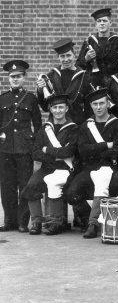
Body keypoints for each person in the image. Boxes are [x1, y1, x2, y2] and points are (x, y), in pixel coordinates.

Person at [66, 87, 118, 239]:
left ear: (107, 104)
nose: (98, 107)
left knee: (101, 183)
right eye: (95, 104)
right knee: (71, 193)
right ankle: (88, 220)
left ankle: (93, 224)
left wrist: (94, 150)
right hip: (89, 167)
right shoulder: (86, 125)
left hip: (109, 167)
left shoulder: (117, 124)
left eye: (101, 103)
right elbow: (82, 150)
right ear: (91, 106)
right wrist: (106, 145)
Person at [23, 94, 78, 235]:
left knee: (53, 184)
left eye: (61, 107)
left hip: (65, 168)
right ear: (50, 110)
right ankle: (36, 222)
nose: (58, 110)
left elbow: (69, 152)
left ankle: (54, 222)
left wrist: (47, 150)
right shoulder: (44, 129)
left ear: (66, 109)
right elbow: (35, 153)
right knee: (31, 186)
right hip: (47, 168)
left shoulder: (73, 128)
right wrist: (56, 155)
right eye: (55, 107)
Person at [0, 60, 42, 232]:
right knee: (7, 185)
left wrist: (35, 147)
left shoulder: (31, 99)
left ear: (24, 77)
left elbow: (38, 126)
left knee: (24, 184)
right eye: (12, 77)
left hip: (25, 148)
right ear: (8, 78)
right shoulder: (2, 99)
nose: (15, 79)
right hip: (5, 148)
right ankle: (9, 221)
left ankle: (22, 222)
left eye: (18, 76)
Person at [36, 38, 90, 124]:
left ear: (74, 55)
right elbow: (45, 107)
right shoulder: (51, 76)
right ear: (58, 57)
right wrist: (40, 90)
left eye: (68, 55)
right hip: (56, 123)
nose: (66, 59)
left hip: (77, 124)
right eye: (62, 56)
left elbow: (89, 106)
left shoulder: (84, 76)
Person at [76, 7, 118, 86]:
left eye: (105, 21)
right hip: (93, 83)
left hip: (113, 83)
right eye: (99, 21)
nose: (102, 23)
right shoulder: (89, 42)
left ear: (110, 23)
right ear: (96, 24)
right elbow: (78, 65)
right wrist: (86, 59)